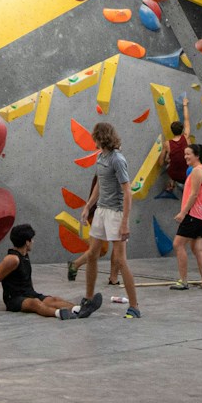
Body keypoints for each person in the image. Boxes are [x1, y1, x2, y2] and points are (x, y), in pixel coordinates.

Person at [0, 224, 102, 320]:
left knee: (52, 299)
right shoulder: (12, 259)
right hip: (14, 299)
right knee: (35, 304)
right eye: (32, 239)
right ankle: (59, 314)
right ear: (27, 242)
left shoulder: (25, 255)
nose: (33, 242)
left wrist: (33, 293)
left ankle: (79, 309)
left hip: (28, 293)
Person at [81, 123, 139, 319]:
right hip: (101, 211)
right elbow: (99, 184)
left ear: (100, 137)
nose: (93, 141)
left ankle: (134, 306)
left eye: (94, 137)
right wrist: (89, 205)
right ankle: (88, 298)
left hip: (115, 213)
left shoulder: (117, 159)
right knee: (91, 256)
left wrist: (125, 222)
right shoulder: (100, 157)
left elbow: (127, 192)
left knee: (121, 261)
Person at [172, 144, 202, 290]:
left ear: (197, 155)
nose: (185, 157)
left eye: (188, 154)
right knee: (198, 248)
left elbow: (194, 194)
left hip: (194, 215)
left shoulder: (197, 171)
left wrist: (183, 213)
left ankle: (183, 281)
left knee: (178, 244)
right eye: (185, 154)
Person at [163, 120, 191, 199]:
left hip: (175, 174)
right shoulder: (186, 139)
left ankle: (171, 185)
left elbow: (161, 161)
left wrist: (167, 158)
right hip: (188, 172)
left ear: (172, 131)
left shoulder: (167, 144)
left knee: (169, 165)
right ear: (182, 130)